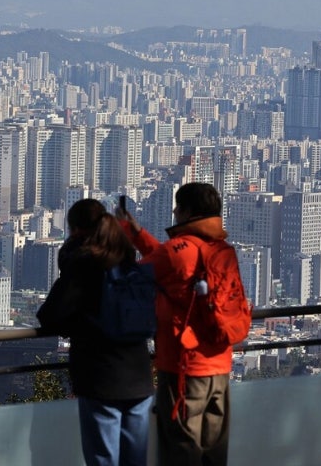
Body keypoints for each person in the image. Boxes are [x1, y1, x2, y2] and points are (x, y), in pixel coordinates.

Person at [118, 182, 246, 466]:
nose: (174, 212)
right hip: (220, 367)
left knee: (181, 450)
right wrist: (135, 233)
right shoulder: (222, 250)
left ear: (188, 212)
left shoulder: (176, 252)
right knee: (214, 453)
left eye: (178, 207)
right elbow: (173, 263)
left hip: (184, 369)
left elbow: (131, 278)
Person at [37, 198, 154, 466]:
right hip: (139, 375)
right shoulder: (128, 262)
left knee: (104, 458)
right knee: (136, 459)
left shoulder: (84, 265)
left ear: (76, 231)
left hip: (101, 378)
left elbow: (50, 316)